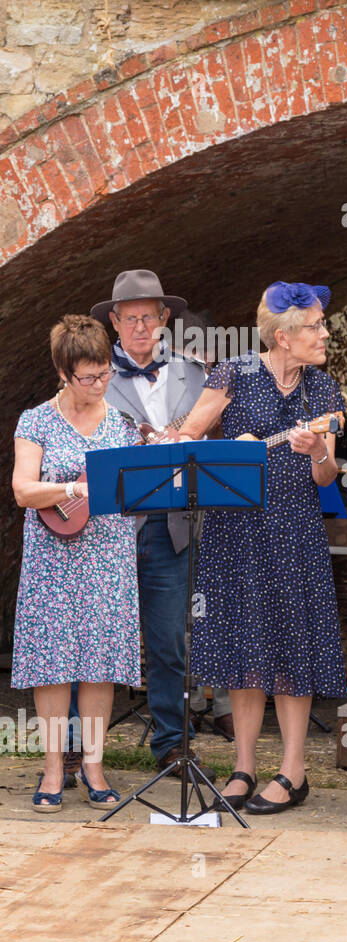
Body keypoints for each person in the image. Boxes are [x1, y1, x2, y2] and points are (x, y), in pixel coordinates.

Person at [177, 281, 347, 814]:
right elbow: (185, 442)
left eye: (322, 324)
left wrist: (319, 449)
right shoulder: (234, 373)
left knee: (293, 651)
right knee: (244, 653)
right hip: (236, 534)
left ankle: (294, 771)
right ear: (281, 335)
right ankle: (243, 767)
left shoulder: (323, 389)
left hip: (296, 531)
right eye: (315, 326)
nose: (325, 333)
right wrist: (230, 450)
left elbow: (327, 479)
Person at [89, 269, 226, 773]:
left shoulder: (194, 374)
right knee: (99, 637)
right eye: (131, 319)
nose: (141, 326)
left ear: (164, 319)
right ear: (115, 324)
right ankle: (88, 753)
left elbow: (213, 444)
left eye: (150, 317)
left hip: (173, 525)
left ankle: (172, 743)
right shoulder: (94, 376)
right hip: (110, 529)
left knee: (170, 641)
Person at [11, 316, 140, 811]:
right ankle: (50, 769)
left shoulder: (122, 424)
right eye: (87, 376)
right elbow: (24, 489)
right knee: (52, 664)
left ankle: (94, 766)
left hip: (107, 553)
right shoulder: (36, 420)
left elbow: (135, 489)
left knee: (99, 664)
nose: (98, 383)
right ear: (63, 373)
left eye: (104, 372)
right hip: (51, 559)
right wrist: (73, 487)